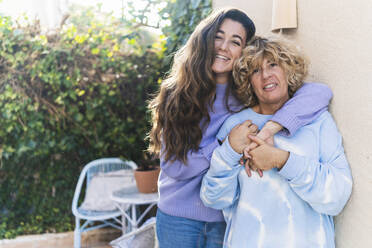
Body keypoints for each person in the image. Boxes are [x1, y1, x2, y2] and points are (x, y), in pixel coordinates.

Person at [148, 7, 333, 247]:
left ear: (242, 52)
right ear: (205, 40)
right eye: (218, 36)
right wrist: (225, 145)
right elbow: (174, 168)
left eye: (235, 42)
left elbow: (319, 93)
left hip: (222, 219)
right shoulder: (178, 94)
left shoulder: (247, 93)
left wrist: (270, 129)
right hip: (178, 218)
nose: (224, 47)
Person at [200, 36, 353, 248]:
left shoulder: (318, 120)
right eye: (255, 70)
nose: (265, 75)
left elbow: (337, 195)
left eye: (273, 65)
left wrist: (282, 160)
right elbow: (214, 199)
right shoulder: (236, 126)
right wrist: (229, 151)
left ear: (288, 70)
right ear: (248, 81)